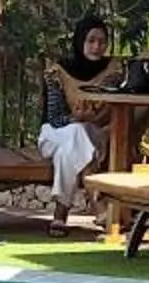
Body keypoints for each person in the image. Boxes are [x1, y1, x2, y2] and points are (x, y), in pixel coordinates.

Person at [37, 13, 120, 230]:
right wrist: (76, 118)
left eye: (102, 42)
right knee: (76, 132)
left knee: (71, 147)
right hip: (54, 134)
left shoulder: (112, 72)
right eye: (91, 41)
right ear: (80, 41)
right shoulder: (58, 72)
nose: (97, 47)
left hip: (94, 135)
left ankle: (60, 213)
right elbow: (54, 118)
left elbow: (115, 111)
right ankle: (97, 203)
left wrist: (89, 120)